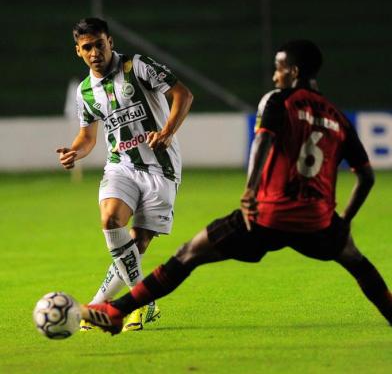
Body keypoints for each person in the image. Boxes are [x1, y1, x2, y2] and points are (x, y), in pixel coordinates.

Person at [81, 40, 392, 335]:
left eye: (279, 68)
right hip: (318, 221)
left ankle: (117, 310)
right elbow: (366, 178)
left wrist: (250, 191)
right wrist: (343, 222)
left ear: (294, 72)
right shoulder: (338, 117)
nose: (275, 74)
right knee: (359, 265)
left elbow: (263, 142)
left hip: (267, 215)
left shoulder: (278, 100)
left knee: (189, 254)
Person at [57, 17, 193, 332]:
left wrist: (168, 131)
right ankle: (140, 302)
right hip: (122, 165)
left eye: (99, 44)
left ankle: (96, 306)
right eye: (87, 47)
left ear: (110, 42)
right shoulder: (85, 92)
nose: (94, 52)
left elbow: (183, 95)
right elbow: (88, 138)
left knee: (138, 242)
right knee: (110, 220)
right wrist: (74, 151)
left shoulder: (137, 67)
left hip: (161, 166)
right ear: (78, 51)